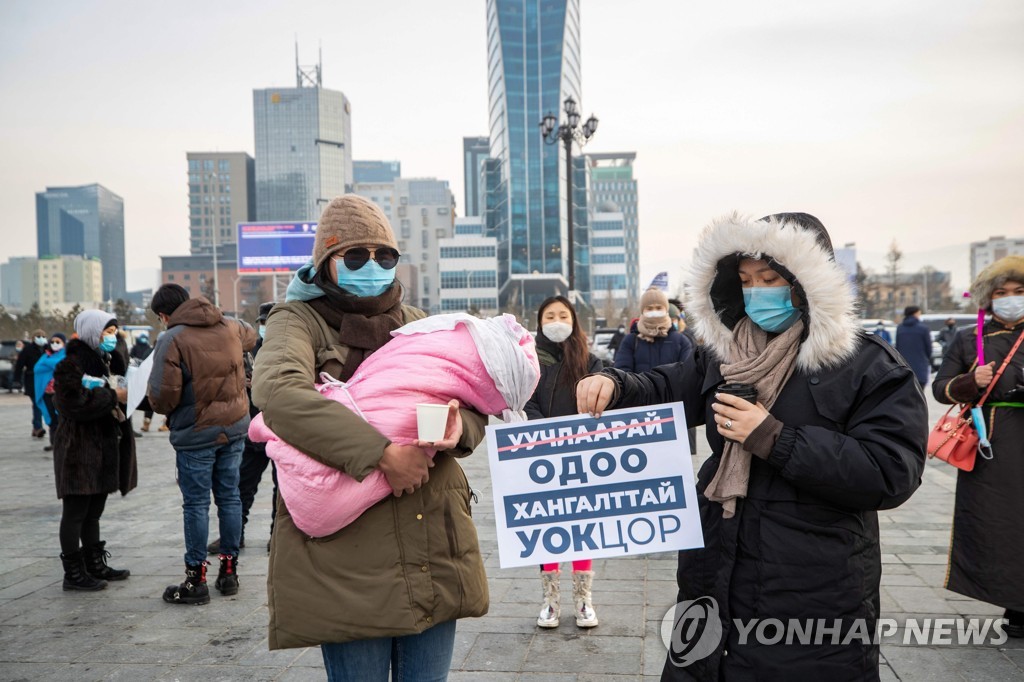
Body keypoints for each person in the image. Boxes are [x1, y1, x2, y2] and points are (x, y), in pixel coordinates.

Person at [576, 213, 928, 680]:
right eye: (745, 280)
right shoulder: (723, 354)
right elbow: (664, 385)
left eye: (770, 278)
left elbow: (890, 471)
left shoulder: (866, 364)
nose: (756, 291)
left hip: (811, 589)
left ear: (808, 282)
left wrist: (774, 437)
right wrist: (614, 384)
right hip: (715, 571)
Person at [251, 194, 488, 680]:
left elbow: (474, 403)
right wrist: (380, 455)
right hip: (348, 556)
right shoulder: (298, 320)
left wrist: (457, 427)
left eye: (384, 256)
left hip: (431, 540)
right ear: (326, 263)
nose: (372, 266)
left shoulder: (420, 323)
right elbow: (278, 391)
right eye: (355, 256)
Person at [147, 283, 257, 605]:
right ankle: (229, 572)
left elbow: (163, 396)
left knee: (196, 504)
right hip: (235, 428)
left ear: (165, 314)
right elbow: (253, 335)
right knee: (230, 498)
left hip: (196, 435)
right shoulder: (230, 325)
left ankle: (196, 579)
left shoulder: (171, 339)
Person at [933, 255, 1024, 639]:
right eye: (1001, 292)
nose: (1010, 299)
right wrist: (971, 382)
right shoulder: (968, 337)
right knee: (1001, 525)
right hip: (994, 446)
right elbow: (941, 388)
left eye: (1019, 292)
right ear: (988, 298)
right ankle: (1015, 605)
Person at [524, 295, 603, 629]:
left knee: (582, 528)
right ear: (539, 324)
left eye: (563, 315)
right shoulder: (529, 363)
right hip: (542, 457)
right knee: (548, 527)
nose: (557, 321)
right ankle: (550, 601)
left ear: (573, 321)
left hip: (582, 458)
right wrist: (543, 430)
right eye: (549, 316)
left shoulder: (592, 361)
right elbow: (523, 402)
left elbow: (606, 400)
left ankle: (584, 600)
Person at [52, 310, 137, 591]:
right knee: (75, 511)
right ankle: (73, 573)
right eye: (106, 331)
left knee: (94, 512)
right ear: (92, 332)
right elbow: (71, 403)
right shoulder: (70, 365)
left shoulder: (107, 362)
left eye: (114, 331)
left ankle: (95, 563)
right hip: (78, 450)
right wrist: (113, 396)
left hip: (103, 447)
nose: (111, 337)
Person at [207, 301, 279, 555]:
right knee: (242, 486)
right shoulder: (248, 350)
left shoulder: (291, 349)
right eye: (262, 323)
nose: (265, 328)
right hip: (252, 429)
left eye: (270, 323)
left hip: (283, 431)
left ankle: (278, 536)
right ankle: (234, 535)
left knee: (282, 490)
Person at [613, 288, 693, 373]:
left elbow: (687, 374)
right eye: (649, 308)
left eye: (659, 308)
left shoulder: (681, 341)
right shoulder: (630, 340)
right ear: (642, 311)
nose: (654, 312)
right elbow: (622, 373)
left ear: (666, 310)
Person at [34, 333, 67, 452]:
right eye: (52, 342)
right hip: (47, 393)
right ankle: (54, 442)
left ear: (64, 343)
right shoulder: (45, 356)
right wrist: (52, 365)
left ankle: (64, 442)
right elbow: (37, 369)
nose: (55, 344)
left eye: (58, 342)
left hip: (61, 393)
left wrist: (49, 364)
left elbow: (62, 365)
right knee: (51, 418)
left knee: (62, 418)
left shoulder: (66, 356)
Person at [15, 329, 47, 438]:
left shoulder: (47, 349)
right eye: (38, 336)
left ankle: (36, 426)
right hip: (31, 379)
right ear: (33, 338)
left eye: (43, 336)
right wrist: (17, 380)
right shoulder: (27, 350)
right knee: (37, 403)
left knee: (42, 404)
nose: (41, 338)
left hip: (45, 380)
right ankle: (38, 427)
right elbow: (19, 365)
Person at [895, 305, 932, 387]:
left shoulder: (900, 328)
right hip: (920, 366)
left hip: (904, 367)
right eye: (919, 313)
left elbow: (897, 347)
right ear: (915, 314)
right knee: (920, 393)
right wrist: (926, 359)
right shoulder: (924, 328)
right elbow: (928, 348)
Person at [130, 332, 156, 432]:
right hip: (147, 378)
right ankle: (147, 423)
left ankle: (149, 423)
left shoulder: (149, 349)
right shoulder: (142, 349)